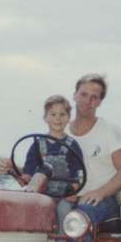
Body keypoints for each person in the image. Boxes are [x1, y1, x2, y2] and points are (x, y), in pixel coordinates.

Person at [60, 73, 121, 242]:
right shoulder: (61, 131)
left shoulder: (110, 131)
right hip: (69, 199)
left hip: (103, 201)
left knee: (83, 214)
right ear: (74, 95)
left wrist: (100, 192)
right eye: (84, 94)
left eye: (94, 97)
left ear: (100, 101)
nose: (88, 101)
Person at [17, 95, 85, 224]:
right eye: (53, 114)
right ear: (45, 118)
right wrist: (22, 177)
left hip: (64, 196)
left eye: (62, 114)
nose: (57, 118)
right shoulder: (37, 144)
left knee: (64, 210)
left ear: (68, 118)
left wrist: (73, 191)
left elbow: (78, 175)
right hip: (41, 195)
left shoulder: (72, 145)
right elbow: (28, 173)